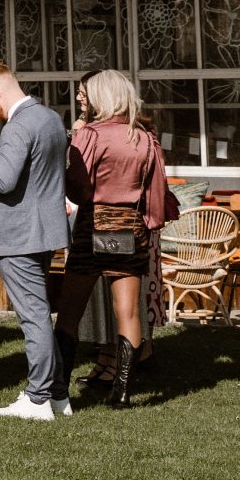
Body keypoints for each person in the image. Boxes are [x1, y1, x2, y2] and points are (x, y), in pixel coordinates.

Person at [0, 61, 71, 421]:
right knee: (39, 313)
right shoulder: (51, 118)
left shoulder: (18, 126)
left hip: (20, 235)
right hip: (45, 230)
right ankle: (57, 394)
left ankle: (37, 398)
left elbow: (3, 182)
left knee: (33, 317)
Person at [54, 69, 169, 409]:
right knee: (128, 312)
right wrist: (150, 223)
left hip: (94, 225)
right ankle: (121, 392)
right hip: (130, 226)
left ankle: (58, 389)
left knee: (70, 310)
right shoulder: (144, 138)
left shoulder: (90, 134)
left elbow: (77, 188)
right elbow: (157, 193)